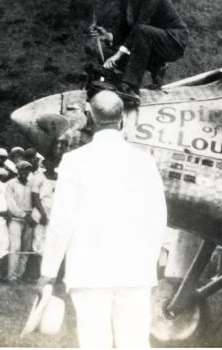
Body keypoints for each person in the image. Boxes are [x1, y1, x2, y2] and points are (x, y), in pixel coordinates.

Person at [37, 91, 167, 348]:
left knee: (94, 341)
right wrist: (148, 260)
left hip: (89, 269)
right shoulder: (144, 161)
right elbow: (158, 217)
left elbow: (62, 221)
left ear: (90, 117)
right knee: (135, 343)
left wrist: (48, 272)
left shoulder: (74, 161)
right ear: (122, 118)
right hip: (134, 269)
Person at [92, 0, 189, 104]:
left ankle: (130, 88)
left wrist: (119, 54)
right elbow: (124, 30)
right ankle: (156, 66)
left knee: (139, 33)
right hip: (152, 41)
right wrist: (108, 36)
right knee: (112, 52)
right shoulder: (125, 0)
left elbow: (142, 24)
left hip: (174, 40)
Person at [5, 160, 36, 283]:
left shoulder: (32, 183)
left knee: (26, 248)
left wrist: (32, 216)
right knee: (15, 247)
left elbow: (35, 200)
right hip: (16, 218)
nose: (24, 172)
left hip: (30, 218)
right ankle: (11, 276)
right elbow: (11, 204)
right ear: (17, 171)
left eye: (27, 170)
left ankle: (19, 275)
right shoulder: (11, 184)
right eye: (22, 169)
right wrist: (23, 215)